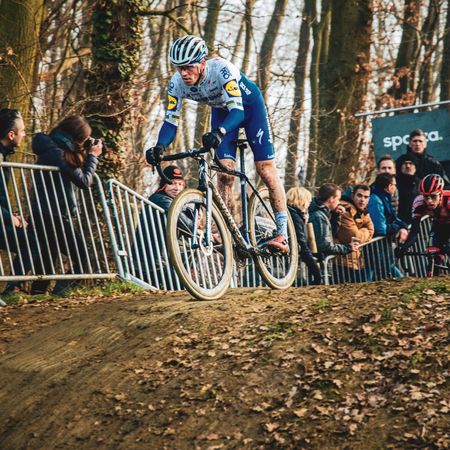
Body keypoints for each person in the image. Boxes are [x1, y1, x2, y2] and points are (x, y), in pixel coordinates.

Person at [145, 35, 289, 254]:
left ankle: (283, 234)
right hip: (222, 111)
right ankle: (229, 232)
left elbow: (238, 111)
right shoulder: (176, 84)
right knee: (223, 174)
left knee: (265, 169)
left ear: (202, 63)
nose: (183, 73)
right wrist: (160, 146)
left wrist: (220, 132)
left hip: (248, 108)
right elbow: (171, 121)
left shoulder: (222, 70)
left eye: (188, 67)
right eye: (179, 68)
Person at [30, 115, 102, 294]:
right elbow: (84, 181)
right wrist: (93, 156)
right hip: (51, 214)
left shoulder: (54, 148)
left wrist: (85, 152)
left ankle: (39, 296)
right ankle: (58, 295)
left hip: (47, 212)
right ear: (76, 137)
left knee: (47, 260)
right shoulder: (57, 153)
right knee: (83, 257)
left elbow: (75, 169)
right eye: (84, 138)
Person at [0, 109, 37, 293]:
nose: (24, 134)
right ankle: (12, 289)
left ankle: (12, 289)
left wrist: (12, 215)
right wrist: (11, 219)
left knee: (31, 242)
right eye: (22, 131)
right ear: (11, 134)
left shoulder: (4, 156)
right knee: (31, 243)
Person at [135, 165, 189, 288]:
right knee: (183, 289)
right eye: (172, 183)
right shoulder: (161, 200)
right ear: (164, 184)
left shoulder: (170, 201)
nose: (177, 188)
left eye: (180, 184)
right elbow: (189, 227)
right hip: (151, 265)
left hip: (159, 263)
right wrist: (196, 211)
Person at [395, 174, 450, 258]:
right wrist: (404, 248)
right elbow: (414, 230)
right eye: (426, 197)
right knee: (432, 252)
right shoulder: (419, 203)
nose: (429, 201)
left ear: (441, 194)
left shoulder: (448, 200)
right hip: (439, 224)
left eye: (433, 196)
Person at [308, 183, 359, 260]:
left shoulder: (322, 212)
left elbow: (331, 234)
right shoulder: (319, 217)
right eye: (338, 199)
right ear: (331, 199)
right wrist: (348, 247)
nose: (339, 202)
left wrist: (336, 215)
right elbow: (326, 246)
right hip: (319, 260)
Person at [335, 185, 374, 282]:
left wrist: (363, 232)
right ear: (353, 196)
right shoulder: (345, 210)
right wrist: (365, 231)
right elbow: (353, 237)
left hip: (356, 260)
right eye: (359, 195)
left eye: (366, 197)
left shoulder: (363, 211)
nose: (362, 200)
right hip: (343, 261)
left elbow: (372, 230)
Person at [286, 186, 321, 285]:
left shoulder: (291, 213)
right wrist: (317, 273)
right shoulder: (295, 217)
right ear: (302, 201)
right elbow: (302, 245)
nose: (309, 204)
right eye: (308, 201)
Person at [367, 173, 409, 242]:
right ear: (389, 186)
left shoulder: (383, 197)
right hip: (376, 244)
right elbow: (380, 229)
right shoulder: (376, 201)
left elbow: (393, 218)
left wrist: (403, 226)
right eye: (395, 185)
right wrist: (397, 228)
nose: (395, 188)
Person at [396, 153, 420, 224]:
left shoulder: (421, 183)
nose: (408, 166)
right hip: (401, 223)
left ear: (415, 167)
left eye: (411, 163)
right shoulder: (395, 184)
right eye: (405, 163)